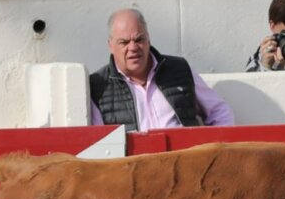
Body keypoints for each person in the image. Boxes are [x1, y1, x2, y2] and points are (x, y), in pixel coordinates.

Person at [90, 8, 235, 129]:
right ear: (110, 46)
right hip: (137, 156)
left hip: (185, 154)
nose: (133, 47)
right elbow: (102, 144)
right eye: (124, 42)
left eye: (139, 39)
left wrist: (216, 148)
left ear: (148, 39)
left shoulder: (179, 69)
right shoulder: (98, 87)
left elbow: (219, 111)